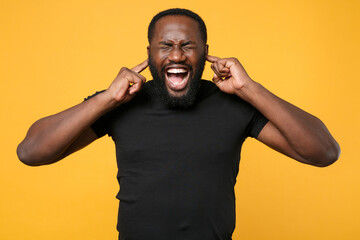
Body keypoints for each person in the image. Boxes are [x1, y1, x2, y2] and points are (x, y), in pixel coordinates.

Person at [17, 8, 340, 240]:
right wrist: (104, 100)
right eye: (165, 45)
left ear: (205, 53)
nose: (176, 55)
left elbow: (323, 153)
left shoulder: (235, 103)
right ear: (149, 53)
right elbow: (32, 152)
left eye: (187, 45)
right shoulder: (121, 101)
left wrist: (248, 88)